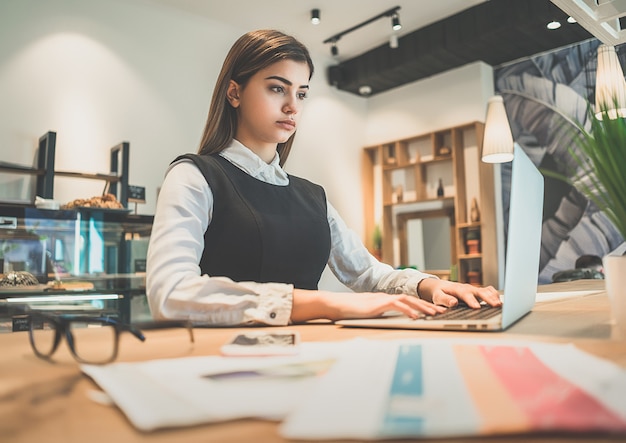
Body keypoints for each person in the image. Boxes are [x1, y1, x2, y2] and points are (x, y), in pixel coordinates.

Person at [146, 29, 501, 326]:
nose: (292, 106)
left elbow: (367, 274)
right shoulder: (195, 176)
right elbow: (170, 292)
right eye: (276, 88)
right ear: (234, 92)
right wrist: (327, 304)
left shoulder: (312, 196)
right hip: (225, 361)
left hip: (313, 350)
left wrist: (428, 285)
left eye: (301, 93)